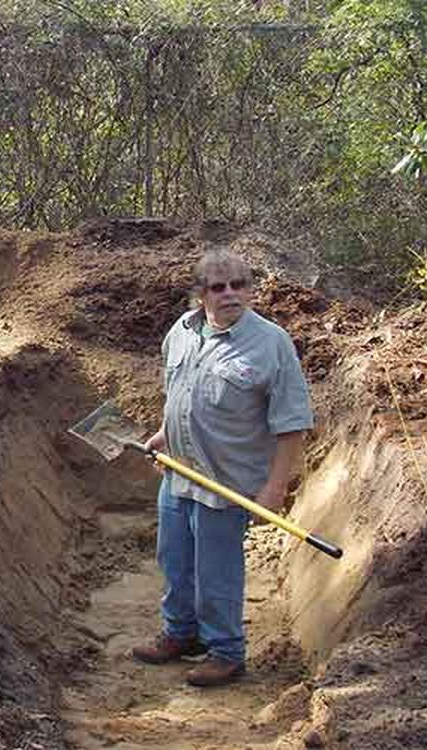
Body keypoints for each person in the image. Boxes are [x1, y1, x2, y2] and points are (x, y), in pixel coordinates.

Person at [131, 250, 314, 687]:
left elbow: (292, 424)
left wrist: (274, 488)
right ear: (200, 295)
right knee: (174, 560)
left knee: (217, 570)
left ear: (250, 289)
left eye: (239, 284)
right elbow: (180, 391)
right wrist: (163, 433)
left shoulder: (272, 343)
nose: (231, 293)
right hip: (179, 471)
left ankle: (226, 652)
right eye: (219, 286)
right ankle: (181, 634)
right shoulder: (180, 331)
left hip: (226, 482)